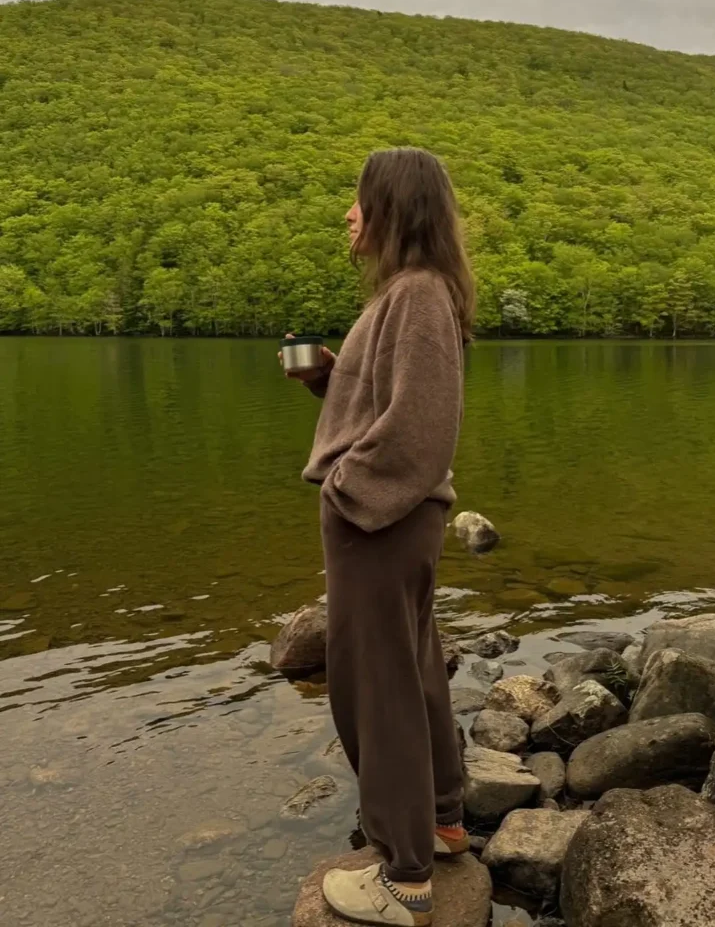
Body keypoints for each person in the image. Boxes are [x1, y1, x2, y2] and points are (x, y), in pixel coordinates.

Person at [285, 147, 475, 926]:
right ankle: (440, 819)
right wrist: (331, 378)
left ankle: (403, 875)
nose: (348, 214)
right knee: (415, 665)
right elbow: (389, 405)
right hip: (393, 518)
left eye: (359, 201)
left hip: (380, 518)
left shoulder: (419, 294)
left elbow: (421, 428)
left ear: (393, 209)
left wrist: (346, 491)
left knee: (376, 687)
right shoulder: (411, 293)